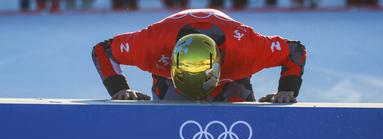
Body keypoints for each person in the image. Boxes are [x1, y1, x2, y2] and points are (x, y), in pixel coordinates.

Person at [92, 9, 307, 103]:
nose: (198, 99)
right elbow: (103, 50)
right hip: (170, 80)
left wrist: (286, 91)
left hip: (230, 77)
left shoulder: (246, 49)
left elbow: (294, 51)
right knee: (171, 116)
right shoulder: (152, 44)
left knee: (238, 110)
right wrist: (119, 89)